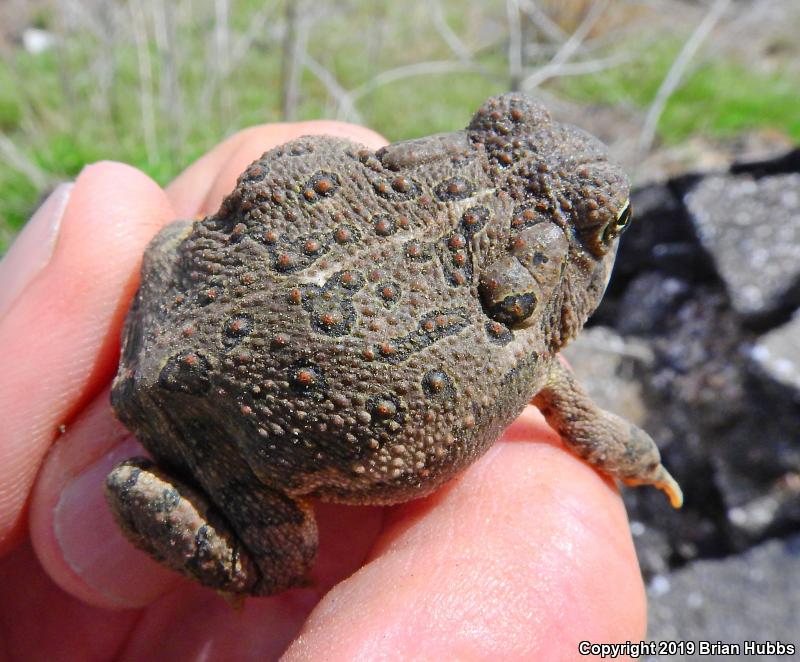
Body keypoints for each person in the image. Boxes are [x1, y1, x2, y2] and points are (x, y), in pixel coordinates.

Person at [0, 121, 646, 660]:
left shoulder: (511, 337)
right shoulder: (528, 357)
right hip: (233, 450)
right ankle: (158, 494)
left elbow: (172, 241)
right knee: (281, 561)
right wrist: (645, 460)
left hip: (169, 310)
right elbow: (603, 439)